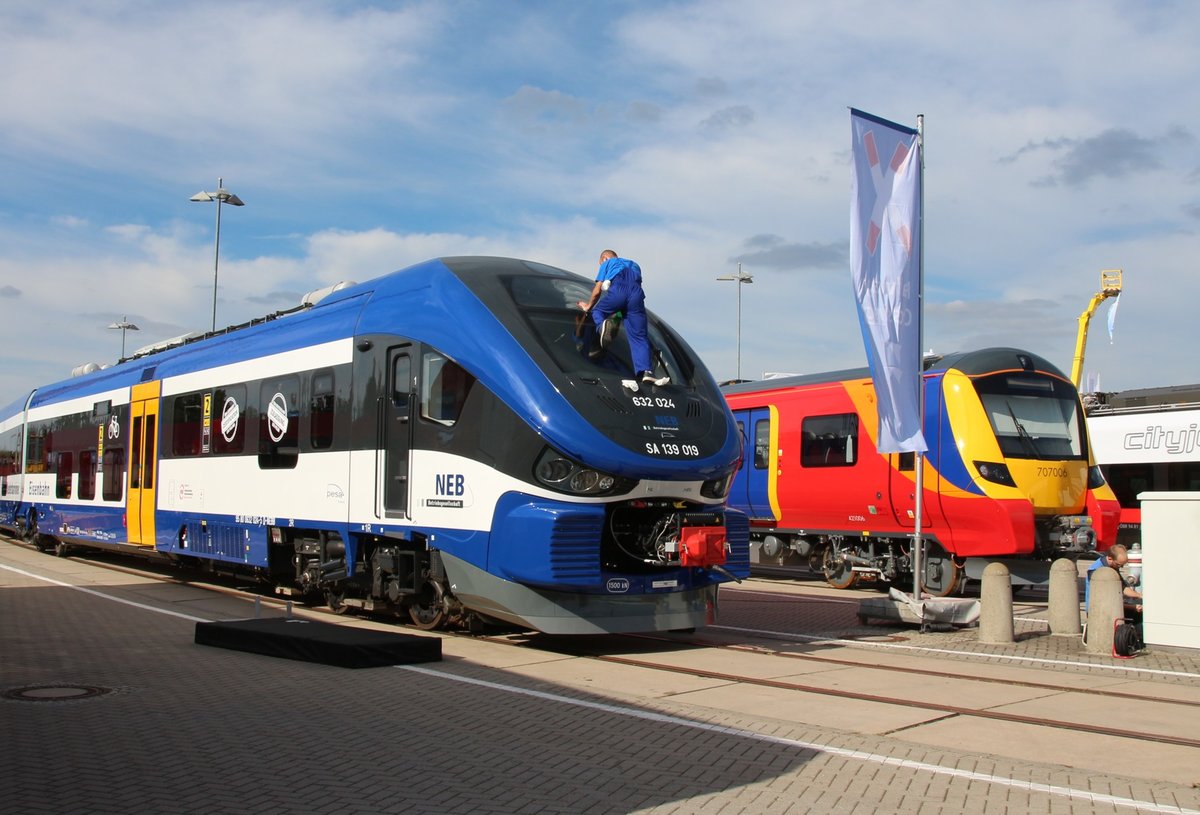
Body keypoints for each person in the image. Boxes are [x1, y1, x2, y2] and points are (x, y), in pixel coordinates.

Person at [577, 249, 663, 385]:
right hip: (637, 296)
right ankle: (646, 371)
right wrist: (618, 314)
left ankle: (602, 327)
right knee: (639, 336)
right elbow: (631, 292)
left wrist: (588, 306)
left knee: (597, 311)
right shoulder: (634, 264)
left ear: (604, 258)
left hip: (619, 290)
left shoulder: (608, 263)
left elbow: (597, 290)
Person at [1085, 543, 1143, 623]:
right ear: (1110, 558)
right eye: (1119, 565)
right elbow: (1107, 600)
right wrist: (1132, 607)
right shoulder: (1096, 571)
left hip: (1110, 606)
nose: (1120, 567)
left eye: (1122, 565)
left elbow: (1122, 587)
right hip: (1098, 610)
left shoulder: (1113, 565)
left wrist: (1139, 595)